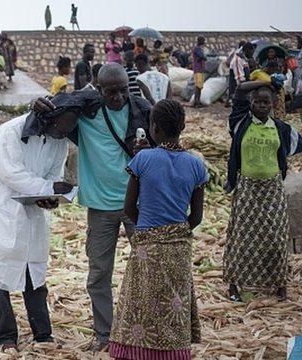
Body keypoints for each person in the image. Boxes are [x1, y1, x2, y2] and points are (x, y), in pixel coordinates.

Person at [33, 63, 154, 353]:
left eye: (123, 90)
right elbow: (49, 114)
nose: (118, 97)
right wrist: (35, 105)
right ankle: (105, 333)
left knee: (149, 269)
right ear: (99, 90)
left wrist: (147, 149)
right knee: (99, 274)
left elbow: (165, 140)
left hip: (137, 205)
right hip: (100, 208)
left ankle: (147, 330)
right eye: (112, 92)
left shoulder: (139, 110)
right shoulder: (85, 114)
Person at [0, 92, 82, 351]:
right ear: (48, 119)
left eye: (69, 128)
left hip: (32, 216)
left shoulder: (59, 141)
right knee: (0, 274)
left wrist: (50, 198)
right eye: (61, 126)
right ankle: (6, 336)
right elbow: (11, 174)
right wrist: (48, 187)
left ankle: (43, 334)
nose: (64, 132)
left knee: (35, 274)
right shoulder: (10, 131)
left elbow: (54, 173)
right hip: (3, 212)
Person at [110, 99, 206, 359]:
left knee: (140, 304)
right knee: (174, 304)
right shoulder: (197, 165)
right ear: (183, 126)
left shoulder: (143, 159)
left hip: (147, 247)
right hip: (178, 248)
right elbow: (195, 217)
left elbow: (129, 207)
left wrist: (151, 227)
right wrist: (174, 230)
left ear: (153, 127)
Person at [223, 78, 302, 303]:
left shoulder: (280, 129)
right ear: (251, 104)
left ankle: (279, 284)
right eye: (257, 102)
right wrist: (268, 81)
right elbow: (239, 90)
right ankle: (234, 284)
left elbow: (298, 143)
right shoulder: (240, 123)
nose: (261, 106)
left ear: (272, 104)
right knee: (241, 238)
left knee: (276, 236)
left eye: (266, 102)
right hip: (247, 188)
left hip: (272, 189)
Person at [227, 42, 255, 107]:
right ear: (247, 50)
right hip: (238, 93)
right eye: (252, 51)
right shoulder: (237, 60)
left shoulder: (244, 59)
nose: (253, 53)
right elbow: (240, 81)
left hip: (244, 90)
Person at [192, 36, 207, 108]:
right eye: (203, 40)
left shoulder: (199, 49)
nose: (204, 42)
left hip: (200, 69)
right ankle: (196, 102)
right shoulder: (197, 49)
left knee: (199, 86)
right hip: (198, 69)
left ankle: (197, 101)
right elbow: (203, 57)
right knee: (198, 86)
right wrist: (204, 57)